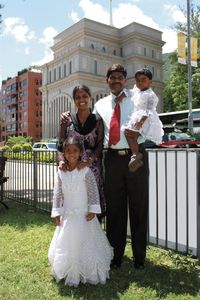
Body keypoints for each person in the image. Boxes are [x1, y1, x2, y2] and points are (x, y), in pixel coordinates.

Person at [94, 64, 149, 270]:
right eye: (112, 77)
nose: (116, 80)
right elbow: (93, 130)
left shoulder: (139, 98)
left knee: (138, 207)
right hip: (113, 160)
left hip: (137, 156)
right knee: (115, 210)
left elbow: (151, 120)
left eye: (120, 77)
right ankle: (115, 256)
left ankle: (139, 258)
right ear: (107, 80)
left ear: (125, 80)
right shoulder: (100, 105)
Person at [48, 136, 113, 287]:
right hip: (68, 216)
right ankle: (67, 268)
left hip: (85, 216)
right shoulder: (61, 172)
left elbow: (92, 192)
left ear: (81, 152)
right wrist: (57, 212)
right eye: (68, 151)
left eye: (75, 151)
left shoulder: (86, 171)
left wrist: (93, 209)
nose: (71, 154)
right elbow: (57, 193)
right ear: (64, 153)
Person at [58, 85, 105, 219]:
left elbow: (100, 143)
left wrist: (89, 161)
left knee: (91, 203)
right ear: (74, 100)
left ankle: (93, 236)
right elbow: (60, 143)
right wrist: (61, 161)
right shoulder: (66, 120)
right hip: (72, 168)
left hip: (92, 168)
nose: (81, 99)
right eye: (77, 97)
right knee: (73, 203)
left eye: (84, 96)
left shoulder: (97, 120)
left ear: (90, 98)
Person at [123, 68, 164, 172]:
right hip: (136, 116)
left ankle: (136, 154)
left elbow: (149, 110)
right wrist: (121, 96)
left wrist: (141, 122)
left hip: (146, 118)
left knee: (132, 134)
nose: (140, 82)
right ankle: (135, 154)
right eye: (137, 80)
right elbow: (129, 92)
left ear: (150, 82)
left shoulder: (150, 95)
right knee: (128, 133)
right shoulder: (137, 91)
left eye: (143, 79)